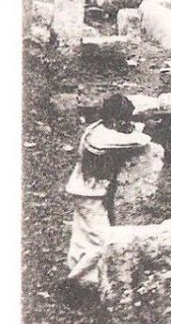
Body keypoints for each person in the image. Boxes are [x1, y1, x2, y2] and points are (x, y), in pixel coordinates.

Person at [62, 93, 153, 298]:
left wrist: (130, 127)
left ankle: (84, 276)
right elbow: (138, 140)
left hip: (85, 190)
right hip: (88, 193)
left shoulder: (98, 128)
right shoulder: (100, 137)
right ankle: (72, 283)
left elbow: (134, 132)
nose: (126, 124)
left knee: (83, 235)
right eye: (123, 120)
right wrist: (132, 130)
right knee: (103, 239)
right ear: (112, 119)